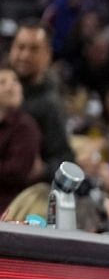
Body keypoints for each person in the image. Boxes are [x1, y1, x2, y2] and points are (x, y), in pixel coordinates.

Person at [8, 20, 73, 182]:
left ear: (47, 55)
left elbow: (65, 158)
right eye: (20, 47)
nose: (24, 55)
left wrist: (43, 170)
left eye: (34, 49)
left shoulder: (50, 105)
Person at [0, 65, 40, 210]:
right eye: (2, 82)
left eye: (15, 81)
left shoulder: (25, 126)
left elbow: (17, 171)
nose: (10, 86)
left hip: (9, 208)